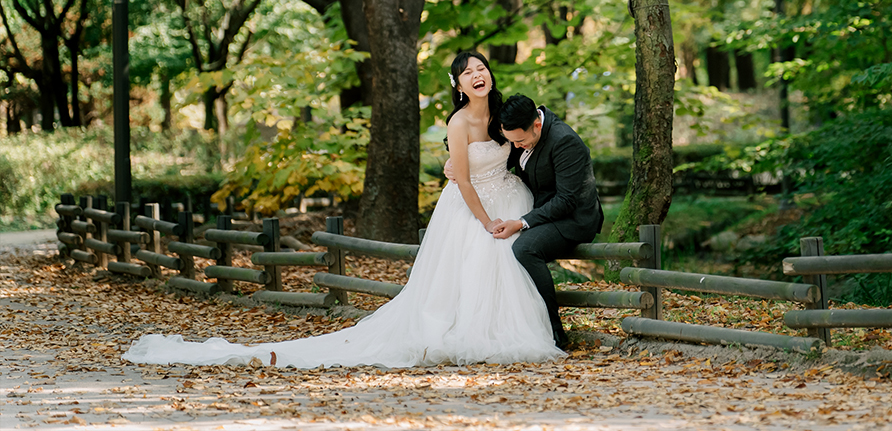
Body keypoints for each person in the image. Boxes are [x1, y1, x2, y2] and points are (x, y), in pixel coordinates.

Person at [122, 51, 564, 369]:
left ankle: (529, 328)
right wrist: (486, 221)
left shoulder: (506, 111)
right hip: (472, 206)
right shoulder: (458, 122)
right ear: (458, 85)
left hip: (510, 198)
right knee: (476, 262)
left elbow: (527, 141)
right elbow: (463, 178)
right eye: (467, 73)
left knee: (508, 265)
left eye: (481, 68)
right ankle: (473, 334)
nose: (477, 76)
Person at [489, 94, 605, 351]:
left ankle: (553, 331)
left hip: (574, 219)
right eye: (512, 141)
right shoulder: (521, 136)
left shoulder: (565, 142)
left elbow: (566, 200)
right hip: (542, 212)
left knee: (524, 248)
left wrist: (521, 222)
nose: (516, 147)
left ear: (537, 125)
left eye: (520, 141)